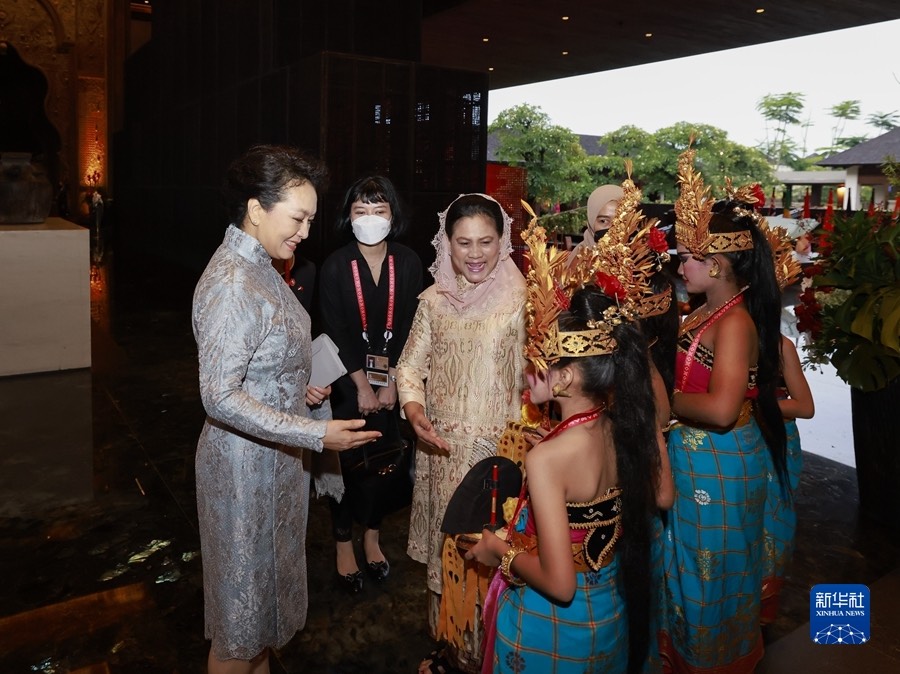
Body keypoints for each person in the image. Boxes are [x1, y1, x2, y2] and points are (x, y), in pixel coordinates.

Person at [192, 144, 381, 674]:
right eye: (298, 218)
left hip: (275, 463)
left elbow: (260, 366)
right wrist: (316, 434)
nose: (304, 231)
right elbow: (220, 395)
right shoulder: (233, 280)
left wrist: (299, 388)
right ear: (256, 209)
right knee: (240, 626)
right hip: (242, 471)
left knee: (264, 620)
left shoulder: (262, 268)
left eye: (310, 220)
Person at [467, 192, 674, 673]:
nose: (526, 371)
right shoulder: (622, 422)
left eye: (535, 360)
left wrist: (499, 549)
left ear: (564, 376)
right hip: (609, 611)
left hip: (553, 628)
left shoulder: (550, 457)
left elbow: (559, 583)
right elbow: (661, 498)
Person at [660, 146, 787, 674]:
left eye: (686, 257)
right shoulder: (700, 313)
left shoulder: (734, 324)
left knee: (711, 579)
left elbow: (720, 407)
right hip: (690, 462)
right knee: (684, 571)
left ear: (715, 264)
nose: (679, 266)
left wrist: (661, 400)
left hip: (721, 462)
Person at [396, 193, 527, 674]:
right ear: (445, 244)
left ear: (503, 241)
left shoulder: (522, 302)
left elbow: (536, 380)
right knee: (447, 555)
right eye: (463, 242)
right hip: (440, 451)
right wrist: (413, 408)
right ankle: (452, 648)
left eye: (486, 242)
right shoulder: (432, 302)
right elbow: (409, 366)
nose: (475, 254)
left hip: (498, 459)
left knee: (489, 557)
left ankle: (485, 656)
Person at [318, 175, 423, 593]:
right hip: (346, 381)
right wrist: (361, 386)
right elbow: (336, 330)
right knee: (345, 464)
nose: (370, 218)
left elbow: (412, 328)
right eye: (361, 210)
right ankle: (343, 541)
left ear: (392, 216)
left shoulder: (409, 262)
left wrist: (394, 382)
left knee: (386, 459)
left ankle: (373, 536)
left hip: (394, 378)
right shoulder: (335, 265)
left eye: (379, 210)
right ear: (348, 216)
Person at [760, 224, 815, 624]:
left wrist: (755, 403)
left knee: (772, 521)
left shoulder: (782, 348)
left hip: (774, 440)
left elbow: (806, 406)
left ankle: (763, 604)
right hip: (736, 442)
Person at [568, 183, 623, 261]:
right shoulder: (578, 260)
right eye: (603, 221)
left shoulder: (638, 257)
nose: (612, 228)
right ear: (591, 220)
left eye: (620, 221)